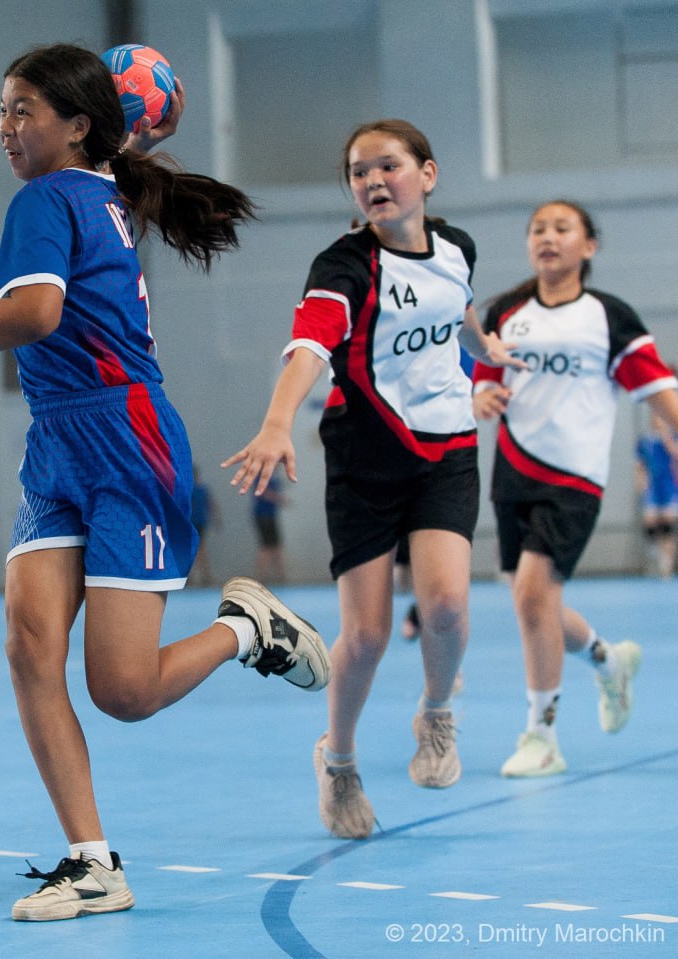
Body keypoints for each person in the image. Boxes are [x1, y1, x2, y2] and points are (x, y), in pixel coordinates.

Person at [0, 43, 330, 921]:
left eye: (23, 110)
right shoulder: (94, 190)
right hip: (57, 439)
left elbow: (33, 312)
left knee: (123, 690)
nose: (5, 127)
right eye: (1, 109)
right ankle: (91, 859)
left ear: (77, 128)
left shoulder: (52, 195)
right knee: (28, 645)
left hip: (123, 436)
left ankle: (245, 627)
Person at [223, 119, 523, 840]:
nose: (374, 181)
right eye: (360, 172)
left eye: (388, 166)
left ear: (428, 173)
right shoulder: (345, 266)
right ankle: (340, 760)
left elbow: (460, 307)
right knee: (366, 635)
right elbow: (311, 344)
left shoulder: (458, 249)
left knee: (447, 603)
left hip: (446, 446)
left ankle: (436, 714)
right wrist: (275, 420)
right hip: (364, 459)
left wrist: (485, 347)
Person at [472, 200, 678, 778]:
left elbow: (660, 392)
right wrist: (479, 398)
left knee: (534, 596)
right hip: (513, 474)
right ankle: (610, 662)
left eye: (563, 228)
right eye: (539, 228)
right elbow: (484, 376)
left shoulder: (609, 318)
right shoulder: (507, 312)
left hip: (574, 479)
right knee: (529, 598)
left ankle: (542, 736)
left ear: (589, 246)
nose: (548, 237)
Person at [636, 409, 678, 578]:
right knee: (651, 521)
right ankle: (656, 551)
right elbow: (640, 464)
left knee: (667, 522)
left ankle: (666, 563)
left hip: (669, 486)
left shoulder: (672, 438)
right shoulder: (645, 441)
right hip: (653, 487)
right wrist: (640, 480)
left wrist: (666, 438)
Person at [251, 469, 286, 583]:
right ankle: (261, 577)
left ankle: (280, 575)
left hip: (271, 515)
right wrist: (279, 498)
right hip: (263, 516)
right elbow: (263, 493)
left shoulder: (272, 478)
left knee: (275, 546)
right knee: (266, 546)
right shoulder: (261, 477)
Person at [188, 466, 218, 586]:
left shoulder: (190, 490)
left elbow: (210, 504)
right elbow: (211, 505)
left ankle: (197, 575)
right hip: (197, 522)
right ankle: (203, 575)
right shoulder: (201, 489)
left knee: (195, 550)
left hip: (194, 522)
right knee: (200, 550)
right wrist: (216, 519)